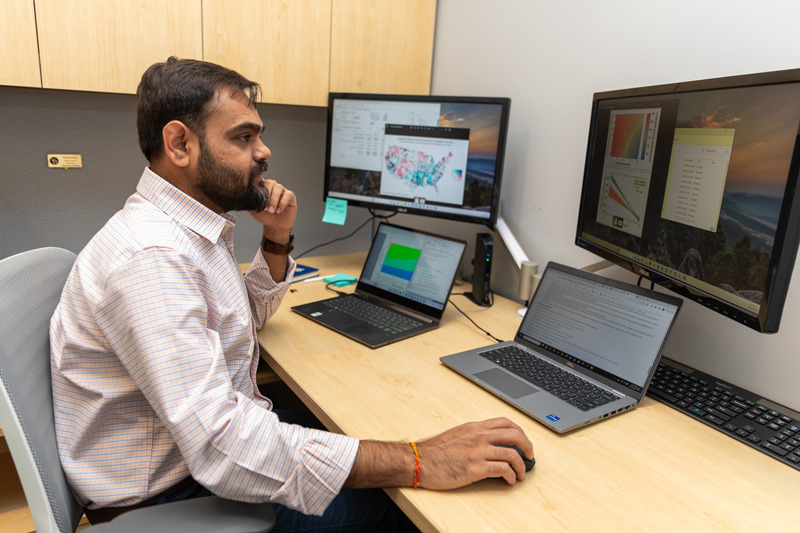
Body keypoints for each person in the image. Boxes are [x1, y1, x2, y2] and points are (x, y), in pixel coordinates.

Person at [50, 57, 534, 531]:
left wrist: (277, 239)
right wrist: (418, 459)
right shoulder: (153, 259)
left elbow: (238, 320)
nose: (264, 151)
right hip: (168, 497)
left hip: (188, 455)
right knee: (408, 508)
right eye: (243, 137)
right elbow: (224, 448)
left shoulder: (188, 229)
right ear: (179, 143)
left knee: (354, 431)